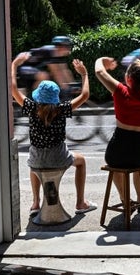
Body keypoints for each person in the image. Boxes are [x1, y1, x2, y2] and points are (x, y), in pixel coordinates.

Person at [11, 51, 97, 217]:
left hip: (37, 159)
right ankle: (81, 202)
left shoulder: (31, 108)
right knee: (81, 161)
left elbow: (13, 89)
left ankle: (35, 203)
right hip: (59, 157)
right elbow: (85, 95)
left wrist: (14, 64)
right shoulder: (62, 109)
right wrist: (84, 74)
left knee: (33, 164)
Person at [94, 55, 140, 212]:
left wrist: (101, 60)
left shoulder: (121, 91)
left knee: (114, 167)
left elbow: (99, 72)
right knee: (138, 166)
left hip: (120, 148)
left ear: (128, 78)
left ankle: (125, 200)